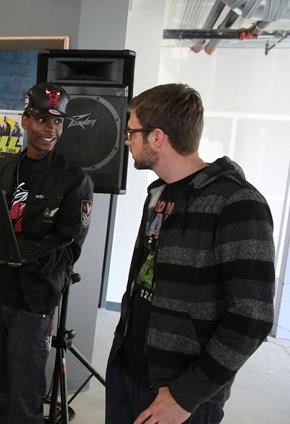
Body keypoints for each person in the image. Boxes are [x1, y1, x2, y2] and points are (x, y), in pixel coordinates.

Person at [105, 83, 276, 424]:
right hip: (127, 373)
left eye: (132, 132)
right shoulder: (157, 193)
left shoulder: (238, 203)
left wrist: (186, 395)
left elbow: (251, 318)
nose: (126, 141)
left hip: (182, 396)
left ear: (157, 137)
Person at [0, 82, 94, 423]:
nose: (50, 128)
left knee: (25, 390)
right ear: (24, 120)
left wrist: (16, 256)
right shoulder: (1, 168)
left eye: (57, 121)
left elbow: (69, 251)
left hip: (35, 297)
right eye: (41, 119)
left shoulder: (75, 180)